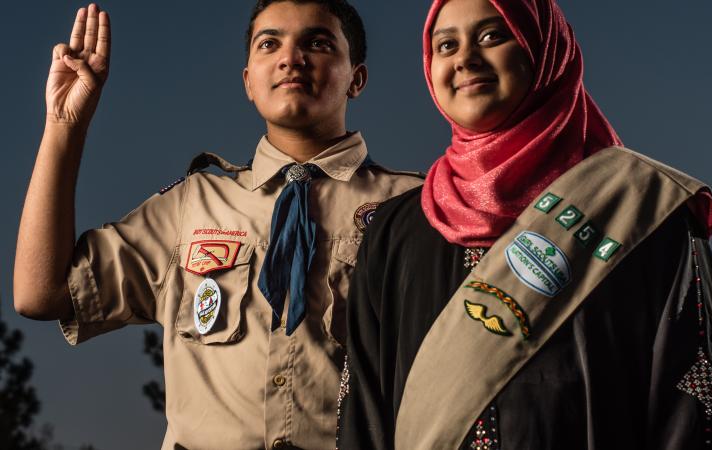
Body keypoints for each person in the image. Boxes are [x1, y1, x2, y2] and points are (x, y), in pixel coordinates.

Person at [13, 1, 422, 448]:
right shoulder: (192, 206)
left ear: (356, 79)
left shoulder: (412, 206)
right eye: (269, 43)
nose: (291, 58)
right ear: (248, 81)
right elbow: (41, 293)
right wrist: (64, 126)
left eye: (318, 43)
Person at [337, 0, 712, 449]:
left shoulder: (641, 210)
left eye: (492, 36)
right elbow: (363, 412)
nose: (465, 58)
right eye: (446, 45)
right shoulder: (394, 230)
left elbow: (689, 406)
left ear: (546, 50)